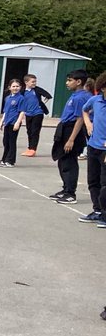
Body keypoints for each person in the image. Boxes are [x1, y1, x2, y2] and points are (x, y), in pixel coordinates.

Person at [49, 70, 91, 204]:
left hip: (72, 130)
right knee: (62, 160)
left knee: (69, 162)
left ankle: (70, 193)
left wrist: (71, 139)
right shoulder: (75, 95)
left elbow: (80, 119)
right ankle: (65, 188)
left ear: (78, 82)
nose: (67, 83)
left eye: (70, 80)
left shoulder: (81, 97)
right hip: (65, 127)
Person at [79, 73, 106, 224]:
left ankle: (105, 214)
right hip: (93, 146)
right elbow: (84, 110)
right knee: (93, 181)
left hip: (105, 149)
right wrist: (88, 123)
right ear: (103, 88)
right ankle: (97, 210)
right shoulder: (95, 100)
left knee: (105, 183)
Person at [20, 74, 51, 157]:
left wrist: (42, 103)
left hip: (38, 113)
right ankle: (30, 148)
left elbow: (48, 95)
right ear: (26, 82)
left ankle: (33, 149)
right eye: (32, 82)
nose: (34, 83)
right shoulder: (23, 91)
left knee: (35, 131)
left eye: (35, 81)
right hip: (28, 114)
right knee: (29, 131)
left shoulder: (37, 90)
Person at [0, 78, 24, 168]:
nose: (15, 88)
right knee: (6, 141)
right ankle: (4, 159)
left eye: (17, 86)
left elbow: (22, 111)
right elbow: (6, 111)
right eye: (13, 86)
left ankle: (10, 161)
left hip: (14, 122)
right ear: (9, 87)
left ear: (20, 87)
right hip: (8, 122)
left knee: (12, 142)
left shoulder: (21, 98)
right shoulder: (8, 98)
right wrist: (2, 121)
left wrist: (18, 122)